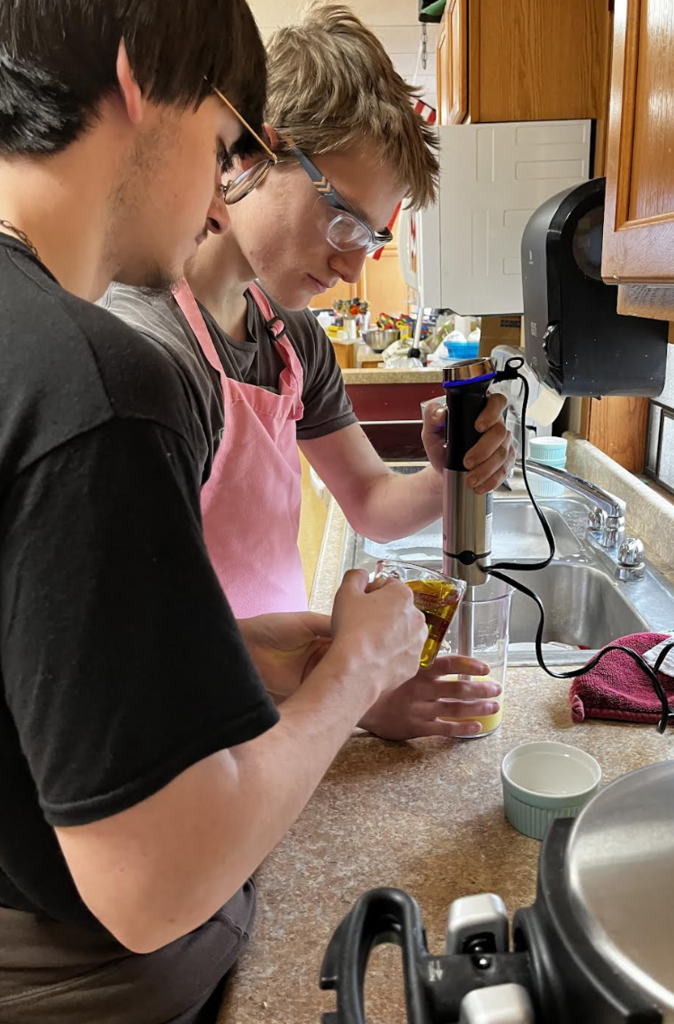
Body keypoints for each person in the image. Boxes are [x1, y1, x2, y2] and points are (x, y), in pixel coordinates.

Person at [0, 3, 445, 1020]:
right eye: (224, 143)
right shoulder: (101, 380)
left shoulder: (37, 345)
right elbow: (153, 884)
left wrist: (247, 659)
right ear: (138, 84)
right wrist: (353, 677)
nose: (220, 187)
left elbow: (53, 670)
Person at [101, 2, 515, 741]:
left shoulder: (291, 337)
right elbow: (132, 639)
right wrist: (346, 691)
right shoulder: (144, 344)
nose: (354, 266)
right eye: (344, 220)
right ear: (258, 151)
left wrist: (449, 471)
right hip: (185, 722)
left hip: (277, 705)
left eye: (374, 237)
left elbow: (370, 503)